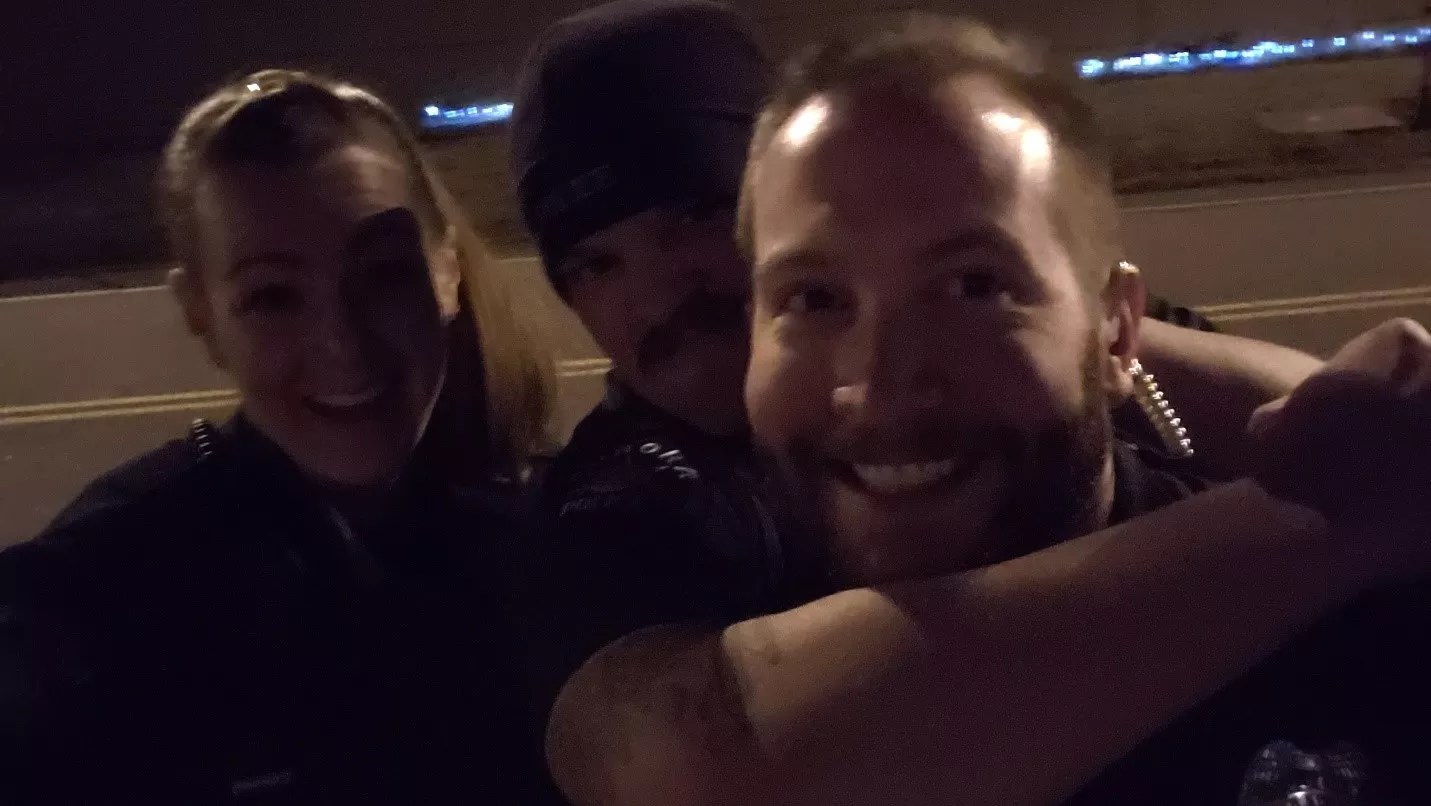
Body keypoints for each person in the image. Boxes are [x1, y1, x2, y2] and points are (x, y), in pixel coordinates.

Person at [540, 16, 1431, 806]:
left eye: (973, 286)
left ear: (1118, 327)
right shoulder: (636, 534)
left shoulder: (1357, 644)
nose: (881, 382)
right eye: (813, 298)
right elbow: (695, 765)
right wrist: (1333, 514)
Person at [0, 70, 561, 804]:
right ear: (201, 314)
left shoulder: (557, 537)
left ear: (448, 272)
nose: (344, 346)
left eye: (384, 275)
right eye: (272, 297)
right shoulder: (98, 603)